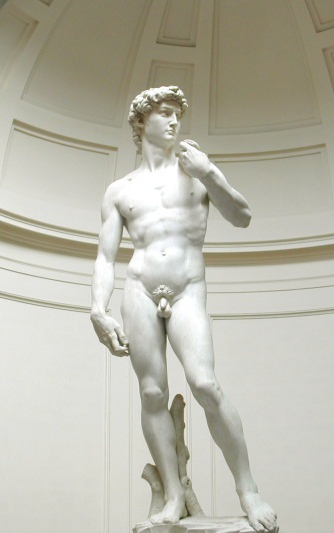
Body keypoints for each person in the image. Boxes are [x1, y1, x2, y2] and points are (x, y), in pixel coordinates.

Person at [91, 86, 277, 532]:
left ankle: (248, 490)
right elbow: (105, 257)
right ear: (142, 122)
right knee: (152, 394)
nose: (175, 121)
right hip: (139, 289)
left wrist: (209, 172)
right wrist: (98, 308)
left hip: (187, 290)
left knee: (205, 384)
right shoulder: (120, 190)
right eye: (165, 113)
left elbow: (242, 216)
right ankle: (174, 495)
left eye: (178, 113)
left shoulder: (196, 169)